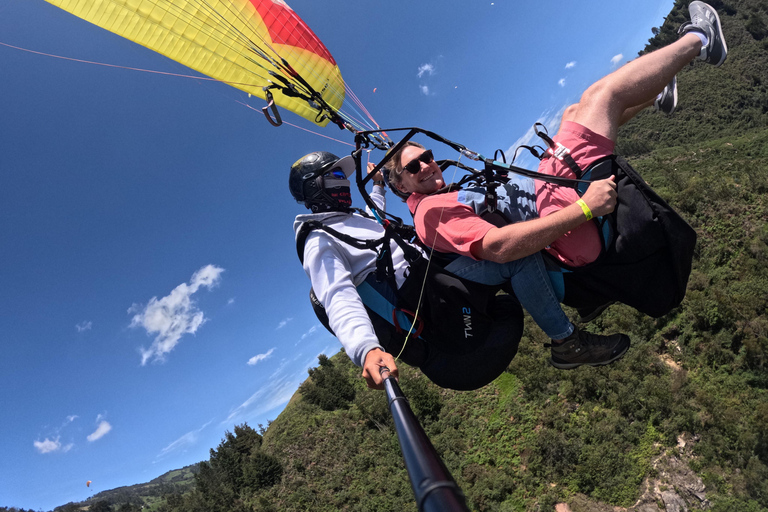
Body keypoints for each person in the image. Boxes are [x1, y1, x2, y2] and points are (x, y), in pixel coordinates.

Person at [388, 1, 727, 366]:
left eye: (426, 157)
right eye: (413, 167)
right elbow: (500, 248)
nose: (426, 165)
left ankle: (656, 93)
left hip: (547, 199)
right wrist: (585, 208)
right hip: (563, 225)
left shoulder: (440, 199)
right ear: (403, 186)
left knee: (572, 114)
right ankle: (700, 39)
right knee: (603, 98)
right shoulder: (430, 213)